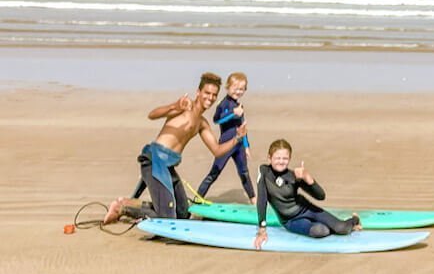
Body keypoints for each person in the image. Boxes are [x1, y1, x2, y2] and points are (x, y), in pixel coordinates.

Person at [103, 73, 247, 224]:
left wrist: (237, 138)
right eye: (207, 93)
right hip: (154, 161)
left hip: (168, 167)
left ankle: (132, 204)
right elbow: (152, 115)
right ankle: (122, 207)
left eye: (213, 95)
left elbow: (216, 150)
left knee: (183, 213)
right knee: (167, 218)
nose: (210, 98)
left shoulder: (202, 123)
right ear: (198, 92)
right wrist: (175, 106)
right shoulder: (184, 106)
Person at [254, 139, 359, 249]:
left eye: (285, 158)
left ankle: (355, 220)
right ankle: (326, 226)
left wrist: (308, 178)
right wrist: (262, 229)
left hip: (307, 209)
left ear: (289, 159)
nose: (281, 161)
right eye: (277, 158)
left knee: (342, 228)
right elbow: (262, 200)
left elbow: (321, 196)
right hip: (290, 220)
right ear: (269, 158)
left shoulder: (293, 175)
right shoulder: (264, 171)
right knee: (320, 231)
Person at [195, 71, 253, 200]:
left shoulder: (239, 106)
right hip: (225, 145)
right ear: (228, 87)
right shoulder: (224, 104)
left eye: (241, 89)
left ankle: (254, 200)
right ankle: (198, 199)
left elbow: (242, 127)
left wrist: (246, 145)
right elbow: (217, 120)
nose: (238, 91)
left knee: (244, 173)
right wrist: (233, 113)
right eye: (235, 88)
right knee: (214, 173)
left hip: (239, 146)